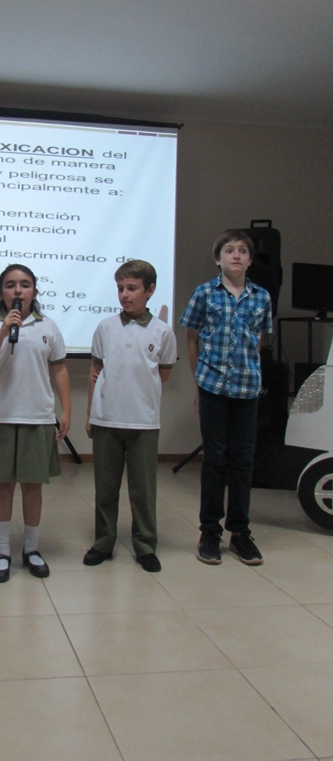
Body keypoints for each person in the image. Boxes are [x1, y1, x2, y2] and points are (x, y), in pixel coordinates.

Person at [0, 264, 71, 583]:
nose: (18, 290)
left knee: (32, 486)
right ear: (1, 292)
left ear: (35, 292)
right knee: (2, 486)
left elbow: (59, 369)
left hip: (37, 415)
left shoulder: (48, 326)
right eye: (10, 285)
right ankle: (2, 551)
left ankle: (31, 548)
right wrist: (2, 331)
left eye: (25, 285)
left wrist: (66, 410)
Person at [179, 229, 273, 566]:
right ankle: (210, 531)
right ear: (218, 259)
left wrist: (246, 369)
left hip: (246, 389)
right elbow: (191, 339)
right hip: (212, 387)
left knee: (242, 461)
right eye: (229, 250)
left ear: (249, 260)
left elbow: (258, 341)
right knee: (215, 460)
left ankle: (240, 533)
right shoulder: (204, 293)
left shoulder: (262, 297)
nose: (236, 255)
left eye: (242, 251)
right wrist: (198, 384)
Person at [83, 260, 177, 572]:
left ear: (149, 290)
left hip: (143, 421)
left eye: (132, 288)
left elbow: (162, 375)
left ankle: (145, 545)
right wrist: (90, 414)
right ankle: (103, 542)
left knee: (143, 490)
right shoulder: (105, 327)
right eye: (121, 288)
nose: (124, 294)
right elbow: (96, 371)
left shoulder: (163, 332)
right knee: (105, 488)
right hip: (106, 418)